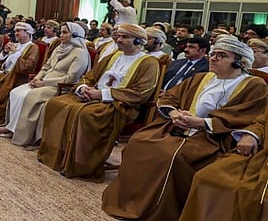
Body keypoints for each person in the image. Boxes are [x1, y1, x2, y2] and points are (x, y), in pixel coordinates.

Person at [102, 36, 267, 220]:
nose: (212, 58)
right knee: (139, 144)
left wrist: (202, 123)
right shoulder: (202, 77)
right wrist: (173, 113)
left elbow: (247, 116)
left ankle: (161, 212)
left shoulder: (254, 85)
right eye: (213, 54)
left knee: (174, 156)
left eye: (221, 56)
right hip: (180, 127)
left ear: (239, 63)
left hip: (214, 137)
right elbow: (169, 97)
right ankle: (134, 204)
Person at [38, 23, 160, 180]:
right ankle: (58, 155)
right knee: (56, 103)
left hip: (119, 104)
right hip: (93, 95)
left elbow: (140, 93)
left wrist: (102, 94)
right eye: (119, 36)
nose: (119, 40)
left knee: (86, 114)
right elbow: (89, 76)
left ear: (138, 41)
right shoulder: (113, 56)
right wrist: (83, 88)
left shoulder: (149, 63)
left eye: (125, 37)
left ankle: (80, 164)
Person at [0, 22, 90, 147]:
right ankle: (11, 126)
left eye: (65, 32)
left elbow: (70, 78)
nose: (61, 35)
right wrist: (36, 78)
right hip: (43, 82)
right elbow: (46, 66)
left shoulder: (80, 53)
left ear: (75, 35)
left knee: (28, 96)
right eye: (61, 32)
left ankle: (22, 134)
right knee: (16, 92)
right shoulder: (59, 48)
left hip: (59, 86)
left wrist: (43, 83)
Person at [178, 106, 268, 221]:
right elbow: (262, 120)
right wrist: (251, 134)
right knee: (206, 177)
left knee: (257, 197)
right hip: (259, 155)